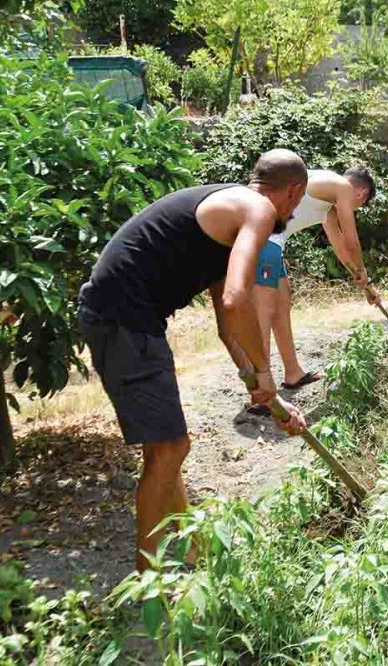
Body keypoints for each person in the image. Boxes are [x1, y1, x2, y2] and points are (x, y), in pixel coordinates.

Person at [78, 149, 310, 571]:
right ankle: (149, 581)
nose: (292, 214)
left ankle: (192, 550)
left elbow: (228, 327)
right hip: (125, 320)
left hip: (122, 317)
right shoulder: (256, 209)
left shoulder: (230, 220)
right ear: (293, 193)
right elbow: (237, 298)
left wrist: (268, 398)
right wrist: (265, 372)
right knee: (170, 447)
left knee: (166, 445)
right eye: (296, 205)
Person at [250, 167, 380, 399]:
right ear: (361, 193)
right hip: (261, 237)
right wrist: (362, 270)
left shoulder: (326, 203)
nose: (356, 207)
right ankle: (261, 393)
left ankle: (293, 373)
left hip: (272, 241)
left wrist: (365, 284)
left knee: (282, 306)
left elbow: (340, 246)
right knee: (264, 314)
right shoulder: (341, 187)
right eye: (361, 204)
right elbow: (351, 239)